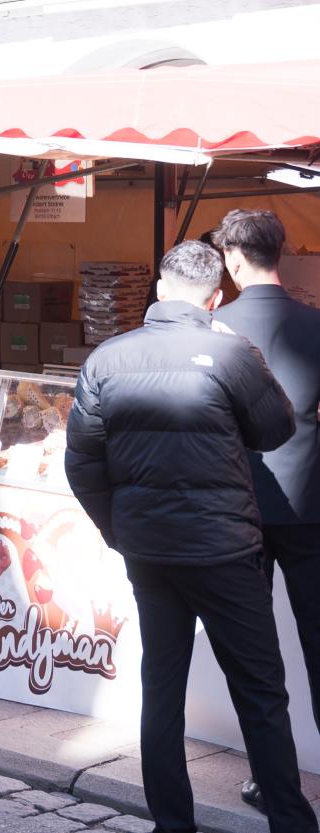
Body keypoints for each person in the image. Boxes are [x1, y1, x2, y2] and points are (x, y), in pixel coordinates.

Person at [65, 240, 317, 833]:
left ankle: (172, 823)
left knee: (162, 687)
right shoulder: (229, 352)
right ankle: (290, 820)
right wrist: (246, 358)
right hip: (223, 548)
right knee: (260, 690)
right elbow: (276, 428)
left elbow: (81, 464)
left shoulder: (107, 358)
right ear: (215, 298)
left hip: (150, 552)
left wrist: (118, 530)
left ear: (159, 290)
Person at [212, 209, 320, 813]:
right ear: (279, 253)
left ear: (232, 260)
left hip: (238, 509)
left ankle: (270, 780)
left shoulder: (215, 328)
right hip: (310, 506)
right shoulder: (316, 324)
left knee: (256, 659)